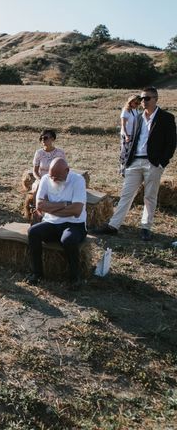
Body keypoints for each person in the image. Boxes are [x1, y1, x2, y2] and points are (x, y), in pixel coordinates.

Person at [96, 87, 176, 241]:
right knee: (126, 195)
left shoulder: (166, 118)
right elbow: (133, 140)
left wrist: (162, 163)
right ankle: (113, 226)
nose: (143, 101)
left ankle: (146, 228)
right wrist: (126, 161)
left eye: (146, 98)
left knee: (149, 197)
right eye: (141, 98)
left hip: (153, 163)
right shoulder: (138, 117)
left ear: (155, 99)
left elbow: (171, 143)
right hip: (135, 161)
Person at [26, 158, 87, 290]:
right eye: (51, 176)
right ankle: (37, 273)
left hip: (75, 224)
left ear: (67, 171)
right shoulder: (45, 179)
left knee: (68, 239)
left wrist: (51, 208)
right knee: (33, 232)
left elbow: (77, 210)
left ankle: (74, 278)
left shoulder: (78, 180)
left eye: (57, 177)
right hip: (52, 222)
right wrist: (65, 205)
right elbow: (40, 205)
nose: (53, 179)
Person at [119, 94, 141, 175]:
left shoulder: (136, 111)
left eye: (138, 103)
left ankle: (129, 169)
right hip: (126, 135)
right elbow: (123, 125)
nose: (137, 105)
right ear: (131, 102)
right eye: (136, 103)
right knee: (124, 153)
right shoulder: (125, 111)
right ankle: (123, 170)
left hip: (133, 135)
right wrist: (126, 136)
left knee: (132, 153)